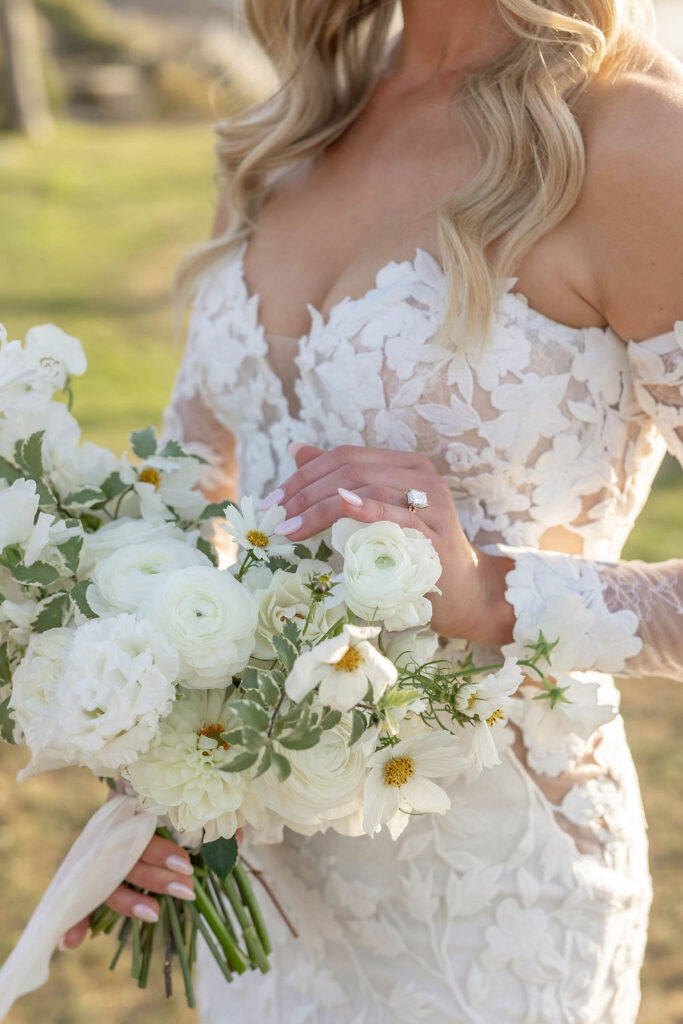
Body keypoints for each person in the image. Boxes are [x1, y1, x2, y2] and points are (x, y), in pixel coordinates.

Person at [63, 0, 683, 1020]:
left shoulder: (628, 142)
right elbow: (189, 491)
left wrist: (495, 596)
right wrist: (165, 761)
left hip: (487, 911)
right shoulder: (288, 135)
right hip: (263, 887)